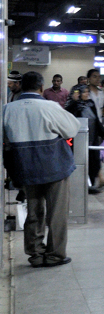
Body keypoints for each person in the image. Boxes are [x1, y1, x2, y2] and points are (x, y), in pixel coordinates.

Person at [3, 71, 81, 267]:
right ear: (41, 87)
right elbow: (72, 129)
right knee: (56, 213)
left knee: (34, 211)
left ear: (21, 86)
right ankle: (55, 255)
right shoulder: (50, 107)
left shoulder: (7, 109)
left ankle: (36, 254)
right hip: (55, 167)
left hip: (25, 167)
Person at [66, 88, 104, 194]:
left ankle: (91, 184)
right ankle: (83, 184)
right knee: (81, 160)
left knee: (94, 161)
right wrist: (74, 101)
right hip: (79, 137)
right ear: (78, 93)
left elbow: (96, 119)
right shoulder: (73, 104)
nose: (86, 94)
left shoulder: (90, 103)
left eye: (87, 92)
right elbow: (67, 114)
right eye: (84, 92)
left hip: (92, 136)